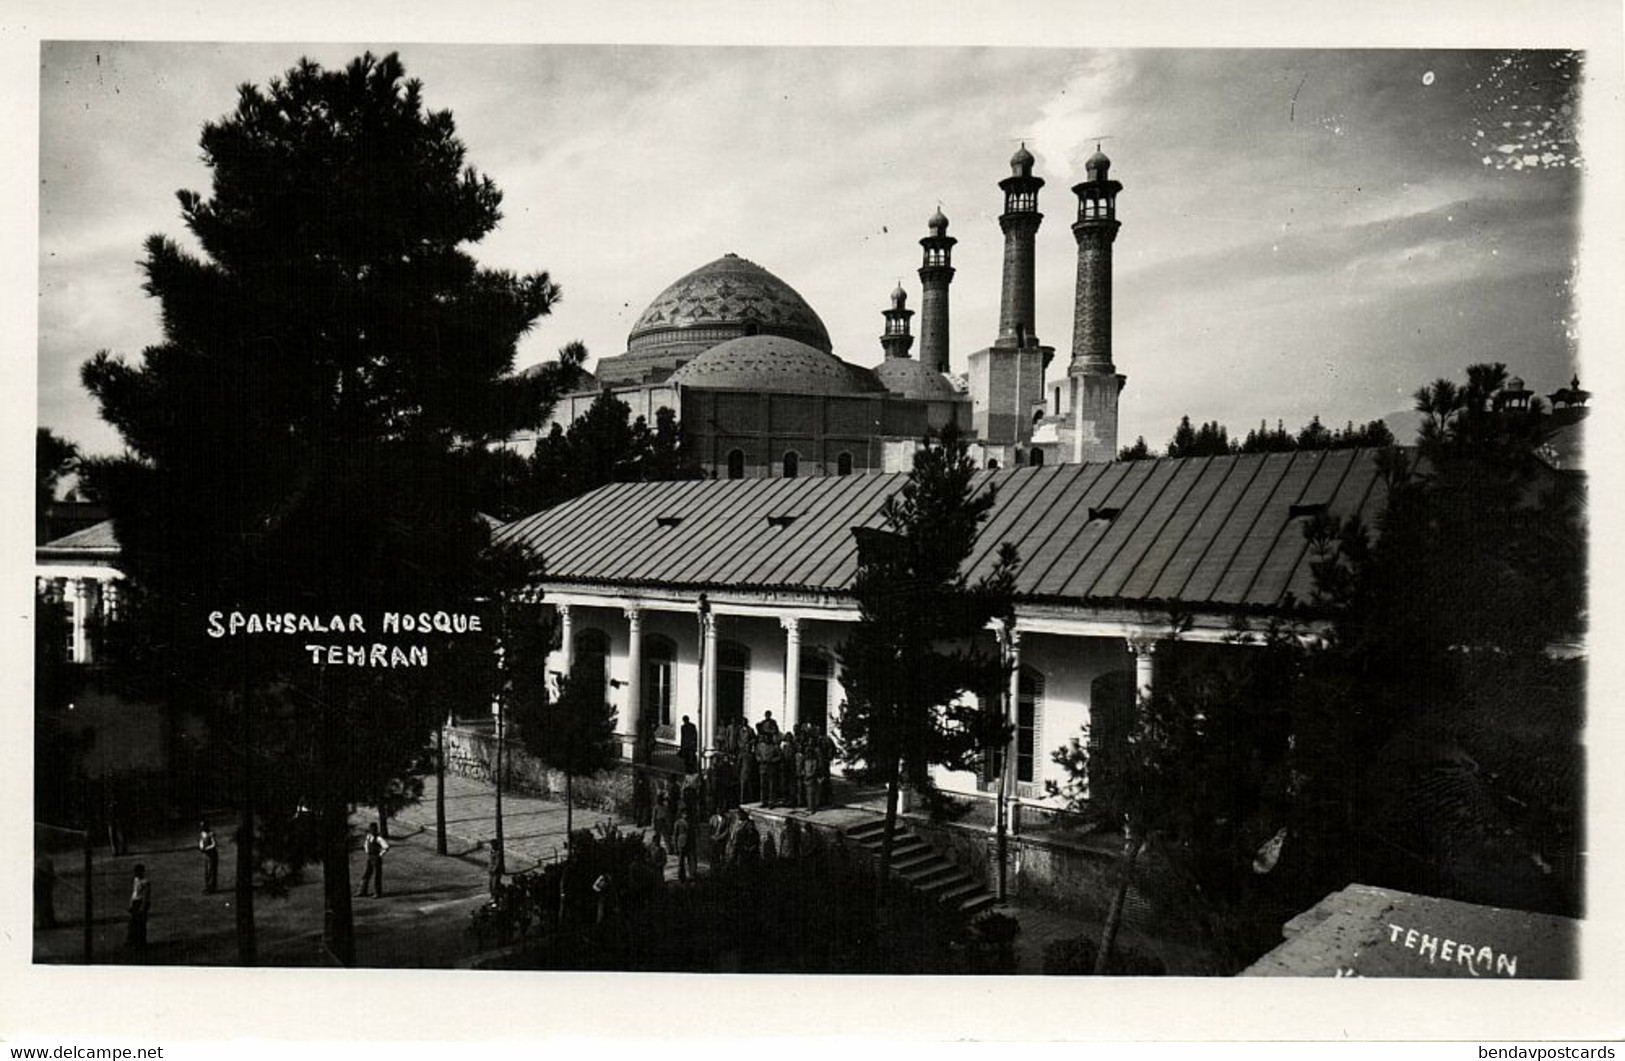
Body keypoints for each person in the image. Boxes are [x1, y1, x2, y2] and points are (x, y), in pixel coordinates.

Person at [357, 822, 390, 898]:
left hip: (376, 858)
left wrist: (380, 854)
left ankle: (377, 893)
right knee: (366, 874)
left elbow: (386, 847)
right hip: (370, 857)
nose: (372, 831)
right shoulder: (368, 837)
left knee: (377, 876)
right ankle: (362, 891)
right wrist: (367, 851)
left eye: (373, 829)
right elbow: (365, 844)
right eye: (371, 829)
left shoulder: (378, 838)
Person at [125, 864, 151, 950]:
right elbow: (134, 893)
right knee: (133, 923)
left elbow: (145, 895)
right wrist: (131, 904)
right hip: (135, 902)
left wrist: (143, 907)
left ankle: (141, 942)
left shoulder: (145, 882)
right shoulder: (136, 880)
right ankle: (132, 941)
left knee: (140, 924)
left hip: (140, 903)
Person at [756, 728, 780, 807]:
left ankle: (771, 802)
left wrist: (772, 760)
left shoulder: (775, 746)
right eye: (765, 737)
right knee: (763, 785)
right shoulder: (760, 746)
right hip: (763, 767)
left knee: (772, 786)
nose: (766, 739)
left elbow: (779, 756)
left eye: (768, 738)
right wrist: (760, 759)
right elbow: (757, 755)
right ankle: (763, 801)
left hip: (771, 767)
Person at [801, 737, 823, 814]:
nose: (808, 754)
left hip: (812, 778)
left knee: (812, 793)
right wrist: (804, 774)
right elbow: (803, 769)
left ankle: (813, 807)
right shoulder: (805, 761)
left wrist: (810, 776)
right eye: (807, 753)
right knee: (807, 793)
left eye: (809, 753)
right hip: (806, 778)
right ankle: (809, 806)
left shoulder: (814, 761)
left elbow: (814, 770)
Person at [672, 813, 697, 883]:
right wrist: (675, 847)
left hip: (690, 844)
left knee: (691, 860)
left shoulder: (691, 822)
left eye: (686, 813)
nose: (686, 815)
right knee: (681, 862)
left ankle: (692, 876)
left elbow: (693, 833)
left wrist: (694, 844)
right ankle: (681, 877)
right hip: (681, 844)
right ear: (681, 815)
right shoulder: (678, 822)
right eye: (684, 814)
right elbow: (675, 835)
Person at [34, 856, 57, 930]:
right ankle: (45, 922)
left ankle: (46, 922)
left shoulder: (45, 860)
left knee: (45, 901)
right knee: (43, 902)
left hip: (44, 881)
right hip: (41, 880)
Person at [198, 820, 219, 893]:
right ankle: (207, 887)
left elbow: (214, 844)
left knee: (212, 871)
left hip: (212, 854)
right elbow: (201, 841)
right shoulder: (202, 834)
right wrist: (201, 847)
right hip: (207, 855)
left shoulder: (211, 834)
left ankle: (212, 888)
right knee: (207, 872)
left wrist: (207, 848)